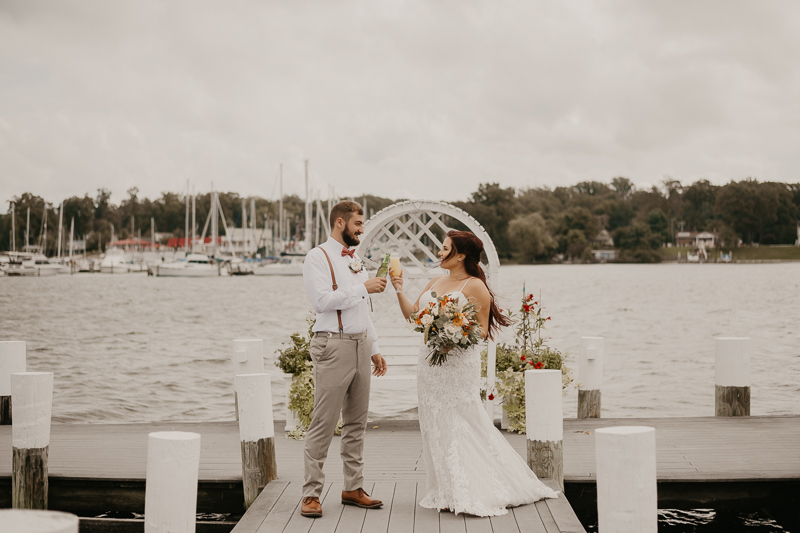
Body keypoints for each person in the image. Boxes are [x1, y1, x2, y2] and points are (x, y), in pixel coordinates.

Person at [391, 230, 558, 516]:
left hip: (457, 364)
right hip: (429, 364)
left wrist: (449, 334)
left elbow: (481, 331)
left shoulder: (475, 286)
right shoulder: (435, 281)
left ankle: (470, 489)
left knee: (463, 421)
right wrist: (397, 289)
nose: (439, 253)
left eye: (444, 249)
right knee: (435, 421)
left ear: (461, 255)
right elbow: (412, 317)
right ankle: (446, 489)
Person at [300, 200, 389, 518]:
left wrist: (375, 346)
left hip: (361, 345)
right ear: (340, 223)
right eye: (357, 225)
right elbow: (322, 302)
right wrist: (362, 287)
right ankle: (310, 494)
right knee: (323, 423)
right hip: (332, 345)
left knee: (356, 423)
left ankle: (353, 487)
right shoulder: (317, 257)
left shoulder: (356, 260)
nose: (361, 230)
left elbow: (363, 307)